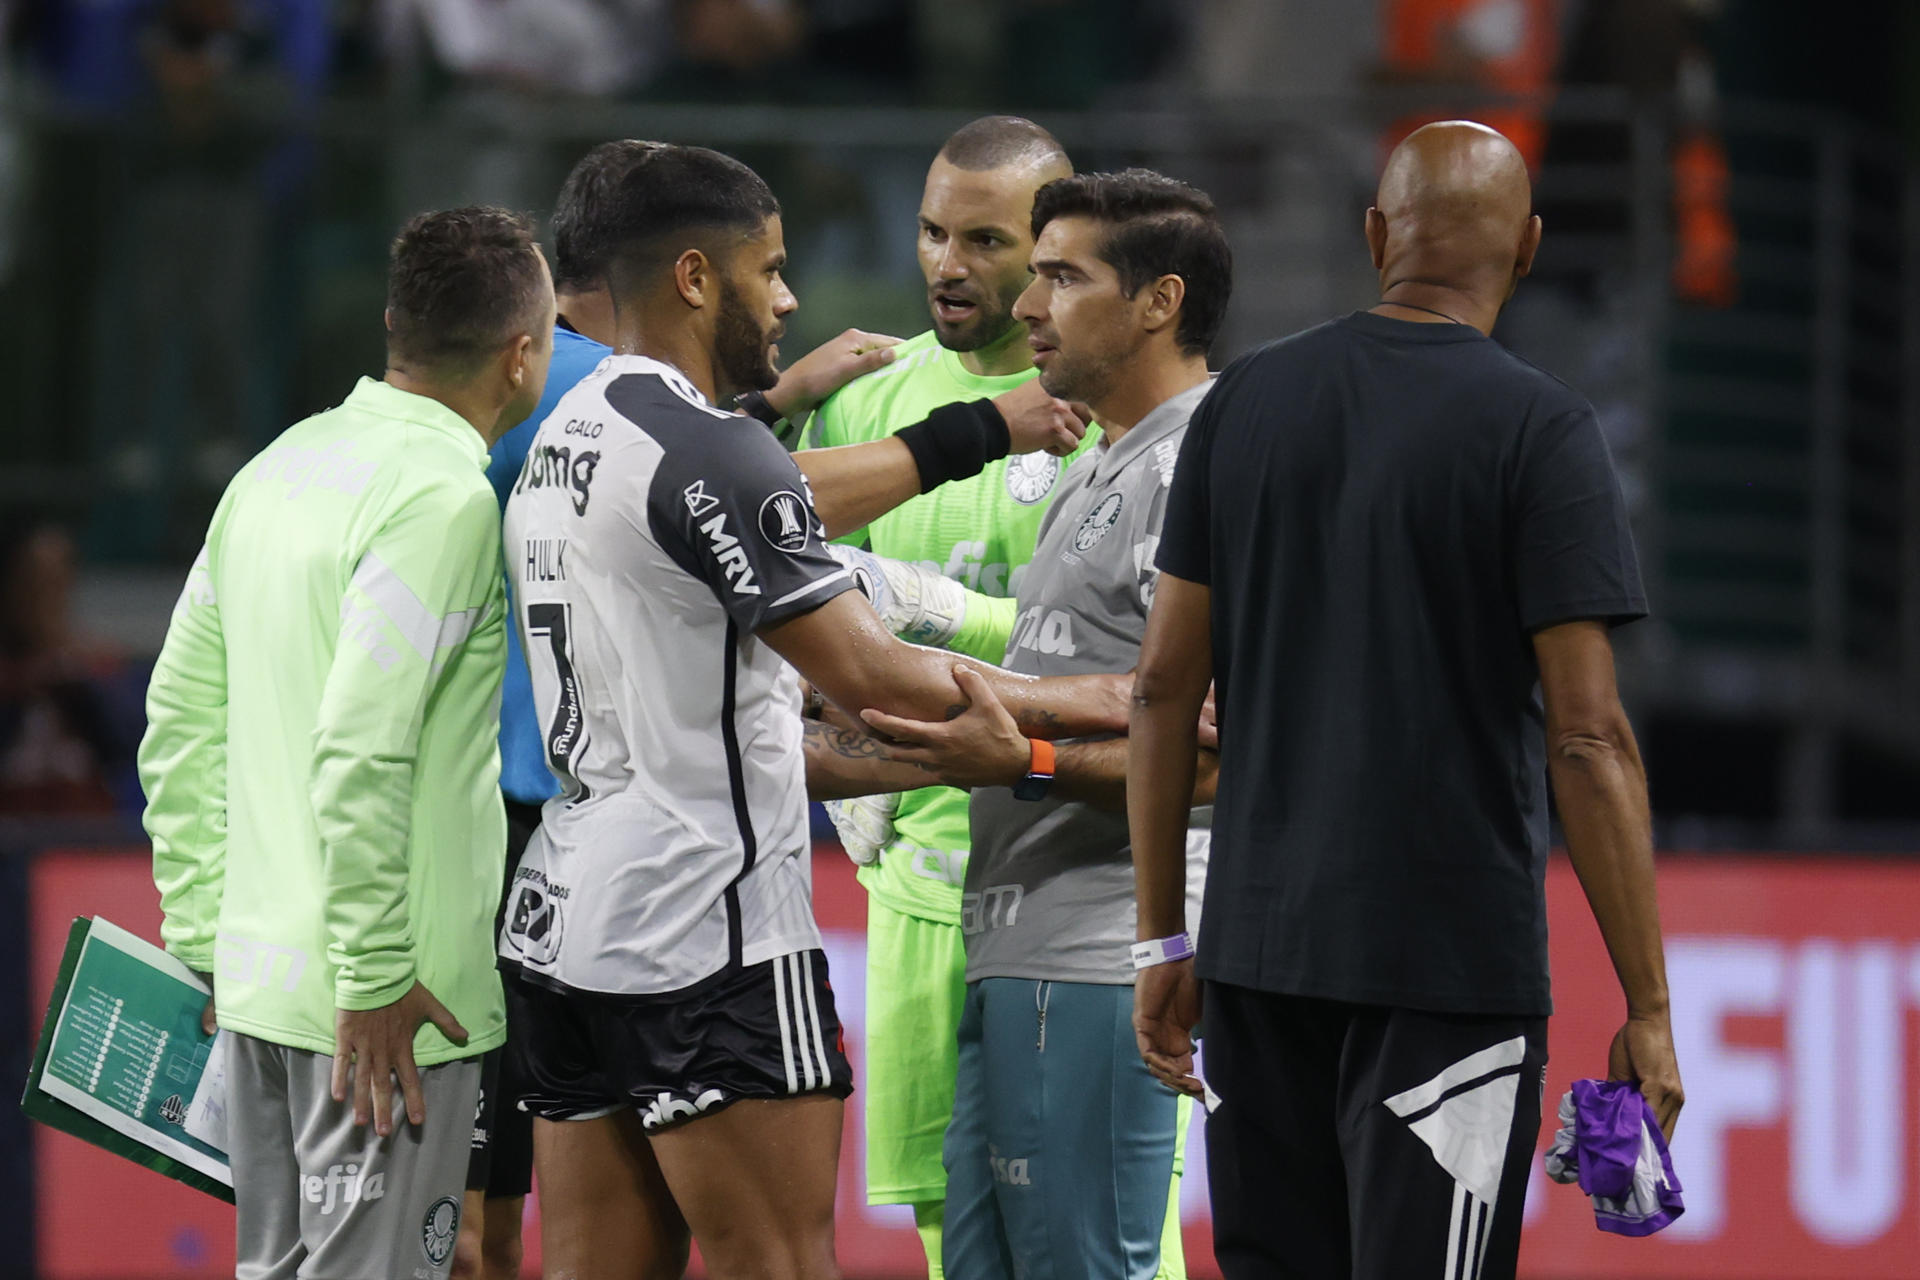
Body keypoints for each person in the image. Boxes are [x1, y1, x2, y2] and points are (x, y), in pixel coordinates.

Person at [495, 142, 1130, 1280]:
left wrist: (939, 759)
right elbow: (873, 671)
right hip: (705, 929)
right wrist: (1088, 698)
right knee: (783, 1260)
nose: (791, 298)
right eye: (769, 269)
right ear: (695, 278)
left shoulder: (566, 440)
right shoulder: (712, 448)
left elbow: (746, 726)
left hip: (564, 917)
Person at [1126, 120, 1685, 1280]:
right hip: (1447, 977)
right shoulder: (1542, 431)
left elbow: (1164, 688)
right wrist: (1648, 1001)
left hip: (1256, 958)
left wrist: (1163, 935)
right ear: (1527, 248)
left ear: (1375, 233)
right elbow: (1587, 736)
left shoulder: (1244, 404)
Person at [139, 207, 555, 1278]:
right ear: (523, 357)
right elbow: (361, 747)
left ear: (391, 325)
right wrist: (371, 974)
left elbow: (180, 716)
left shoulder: (275, 468)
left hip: (265, 983)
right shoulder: (445, 499)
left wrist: (206, 933)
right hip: (382, 1009)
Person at [854, 170, 1231, 1280]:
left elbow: (1220, 749)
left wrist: (1021, 759)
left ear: (1159, 301)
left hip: (1106, 958)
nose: (1027, 301)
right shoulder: (1095, 462)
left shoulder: (1205, 463)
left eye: (1062, 276)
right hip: (1011, 942)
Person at [804, 114, 1157, 1280]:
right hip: (913, 894)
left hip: (1075, 873)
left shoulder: (1115, 418)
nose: (948, 265)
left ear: (1050, 246)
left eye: (987, 240)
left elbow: (1131, 668)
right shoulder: (863, 405)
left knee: (1107, 1239)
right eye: (930, 232)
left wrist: (938, 622)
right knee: (952, 1236)